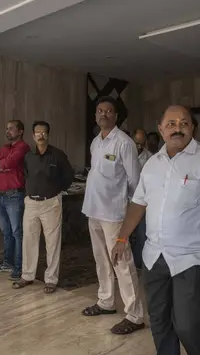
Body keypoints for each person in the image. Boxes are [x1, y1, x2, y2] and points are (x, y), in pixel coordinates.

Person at [112, 105, 200, 355]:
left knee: (188, 323)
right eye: (170, 123)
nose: (176, 128)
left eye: (183, 123)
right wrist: (122, 237)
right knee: (159, 320)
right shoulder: (151, 164)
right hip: (155, 255)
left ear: (193, 128)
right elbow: (139, 203)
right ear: (160, 129)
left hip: (194, 256)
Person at [81, 96, 145, 335]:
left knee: (122, 263)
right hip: (93, 210)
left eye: (108, 111)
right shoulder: (96, 142)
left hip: (115, 214)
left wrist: (127, 209)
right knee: (101, 260)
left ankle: (135, 315)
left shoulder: (124, 142)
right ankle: (106, 301)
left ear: (116, 116)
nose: (103, 114)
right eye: (99, 111)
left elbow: (135, 181)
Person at [12, 121, 74, 294]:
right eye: (37, 132)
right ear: (33, 136)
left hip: (51, 202)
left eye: (44, 132)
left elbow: (68, 176)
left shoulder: (58, 155)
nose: (41, 135)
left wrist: (55, 190)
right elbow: (25, 175)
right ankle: (27, 275)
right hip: (31, 202)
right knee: (29, 240)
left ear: (48, 134)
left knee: (52, 242)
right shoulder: (28, 156)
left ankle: (51, 279)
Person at [0, 120, 30, 281]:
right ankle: (8, 263)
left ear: (20, 131)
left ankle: (19, 267)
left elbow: (11, 162)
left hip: (14, 195)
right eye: (7, 129)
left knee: (17, 232)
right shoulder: (5, 148)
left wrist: (1, 165)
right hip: (1, 195)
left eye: (11, 129)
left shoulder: (23, 147)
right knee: (6, 232)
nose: (8, 131)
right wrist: (1, 165)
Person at [131, 128, 153, 270]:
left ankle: (139, 264)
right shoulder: (125, 153)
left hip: (142, 202)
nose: (139, 147)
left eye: (141, 144)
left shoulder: (150, 158)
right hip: (125, 199)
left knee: (141, 234)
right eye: (136, 143)